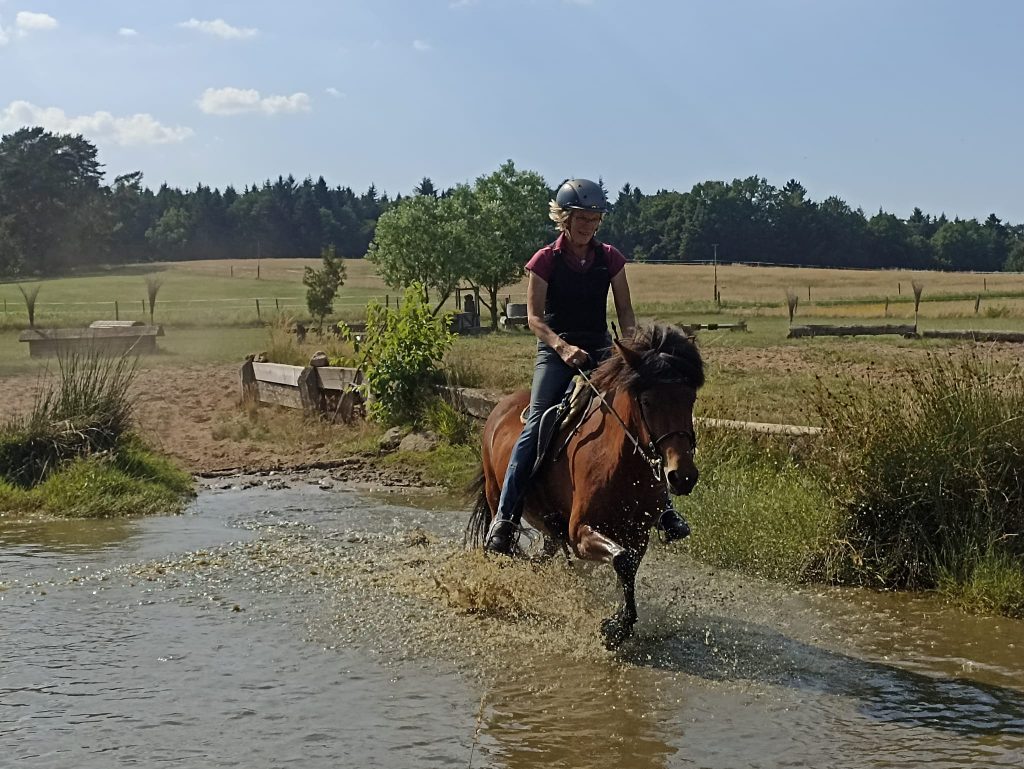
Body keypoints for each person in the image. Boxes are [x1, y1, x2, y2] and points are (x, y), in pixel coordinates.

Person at [485, 178, 692, 555]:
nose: (589, 225)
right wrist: (562, 348)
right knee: (539, 422)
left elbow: (626, 312)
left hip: (601, 347)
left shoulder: (609, 258)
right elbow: (534, 319)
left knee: (637, 415)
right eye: (582, 218)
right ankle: (506, 517)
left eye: (595, 218)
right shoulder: (545, 260)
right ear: (564, 218)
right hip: (556, 349)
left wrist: (636, 353)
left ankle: (664, 509)